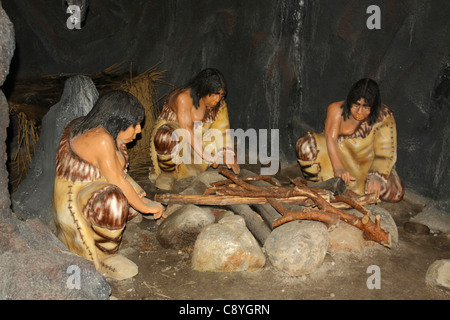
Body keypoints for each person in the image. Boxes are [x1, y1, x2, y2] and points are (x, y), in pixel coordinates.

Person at [53, 90, 164, 280]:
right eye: (134, 125)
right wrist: (146, 206)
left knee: (133, 198)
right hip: (76, 198)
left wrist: (137, 196)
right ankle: (106, 254)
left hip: (94, 185)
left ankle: (113, 224)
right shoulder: (101, 139)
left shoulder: (106, 132)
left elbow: (117, 172)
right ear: (116, 122)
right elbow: (117, 180)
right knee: (114, 201)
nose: (139, 130)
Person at [296, 78, 404, 202]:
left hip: (365, 165)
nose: (359, 112)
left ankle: (354, 189)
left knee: (395, 192)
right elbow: (330, 140)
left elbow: (385, 153)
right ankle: (327, 186)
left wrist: (376, 177)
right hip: (334, 156)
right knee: (305, 145)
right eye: (356, 105)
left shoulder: (383, 117)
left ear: (373, 107)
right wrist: (338, 168)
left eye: (366, 108)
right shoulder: (336, 109)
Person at [149, 68, 240, 190]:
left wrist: (227, 152)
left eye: (221, 95)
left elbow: (222, 128)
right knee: (165, 135)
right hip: (178, 141)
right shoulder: (183, 98)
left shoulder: (218, 104)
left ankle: (197, 168)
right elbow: (187, 131)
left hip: (200, 142)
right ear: (203, 89)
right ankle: (168, 173)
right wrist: (207, 156)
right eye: (214, 95)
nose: (217, 99)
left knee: (216, 142)